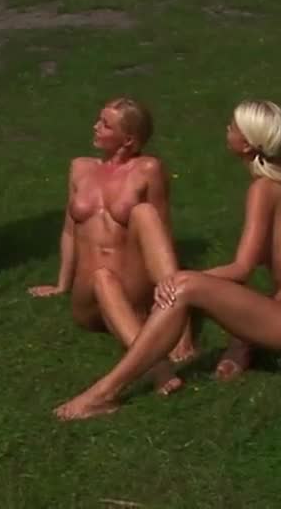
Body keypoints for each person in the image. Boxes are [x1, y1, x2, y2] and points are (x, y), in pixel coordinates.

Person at [54, 100, 281, 420]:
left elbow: (241, 268)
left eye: (233, 127)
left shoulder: (264, 189)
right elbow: (265, 260)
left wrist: (178, 281)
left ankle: (103, 394)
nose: (227, 129)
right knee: (190, 286)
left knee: (184, 287)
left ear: (247, 144)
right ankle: (241, 346)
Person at [28, 98, 196, 392]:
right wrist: (61, 285)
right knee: (103, 278)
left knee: (146, 214)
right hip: (88, 296)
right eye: (99, 120)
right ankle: (155, 366)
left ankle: (176, 319)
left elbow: (161, 237)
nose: (95, 126)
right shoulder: (80, 168)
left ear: (128, 139)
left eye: (105, 125)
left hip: (133, 285)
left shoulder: (148, 169)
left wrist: (184, 334)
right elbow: (69, 231)